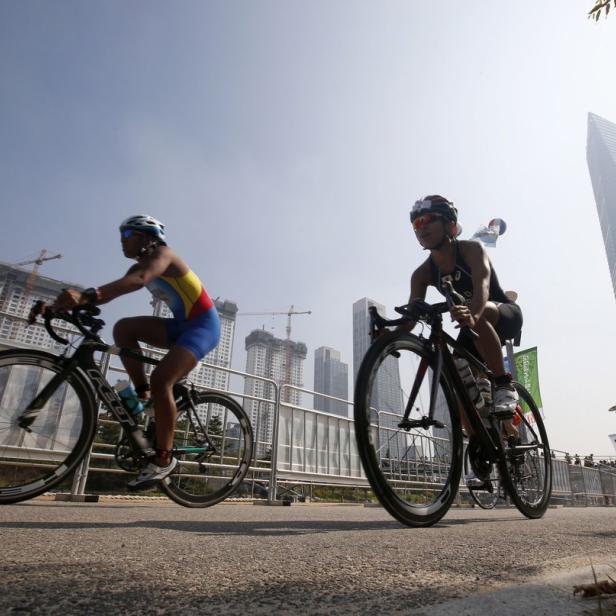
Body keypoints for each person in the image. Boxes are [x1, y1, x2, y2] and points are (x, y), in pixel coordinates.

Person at [53, 215, 220, 489]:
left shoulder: (164, 255)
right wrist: (59, 305)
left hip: (202, 326)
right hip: (179, 326)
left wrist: (86, 296)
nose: (121, 242)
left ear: (145, 236)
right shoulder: (140, 263)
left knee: (162, 379)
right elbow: (115, 290)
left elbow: (140, 280)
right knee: (123, 329)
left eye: (126, 235)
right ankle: (142, 398)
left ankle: (164, 460)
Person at [407, 196, 523, 482]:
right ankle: (480, 441)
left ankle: (502, 384)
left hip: (500, 314)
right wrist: (386, 333)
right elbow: (410, 317)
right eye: (415, 223)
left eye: (427, 220)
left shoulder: (472, 249)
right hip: (470, 327)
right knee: (454, 378)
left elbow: (482, 288)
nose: (420, 227)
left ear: (450, 225)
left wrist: (472, 313)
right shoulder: (422, 273)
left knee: (480, 315)